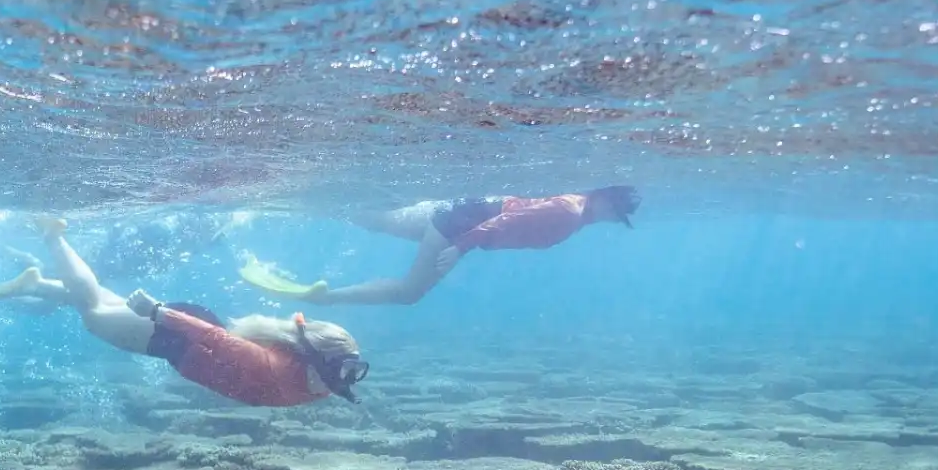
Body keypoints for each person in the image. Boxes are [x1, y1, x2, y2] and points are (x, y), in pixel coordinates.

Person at [0, 218, 367, 407]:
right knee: (93, 314)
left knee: (104, 303)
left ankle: (36, 284)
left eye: (351, 371)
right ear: (316, 356)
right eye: (346, 368)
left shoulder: (318, 382)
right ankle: (54, 236)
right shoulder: (274, 365)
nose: (348, 378)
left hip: (186, 334)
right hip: (179, 335)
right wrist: (157, 311)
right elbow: (216, 339)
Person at [242, 185, 640, 307]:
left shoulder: (570, 206)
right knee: (409, 293)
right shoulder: (570, 212)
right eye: (615, 212)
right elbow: (509, 220)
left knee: (379, 221)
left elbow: (509, 211)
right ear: (604, 198)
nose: (611, 219)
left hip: (457, 213)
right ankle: (325, 299)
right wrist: (463, 246)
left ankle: (314, 201)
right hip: (457, 227)